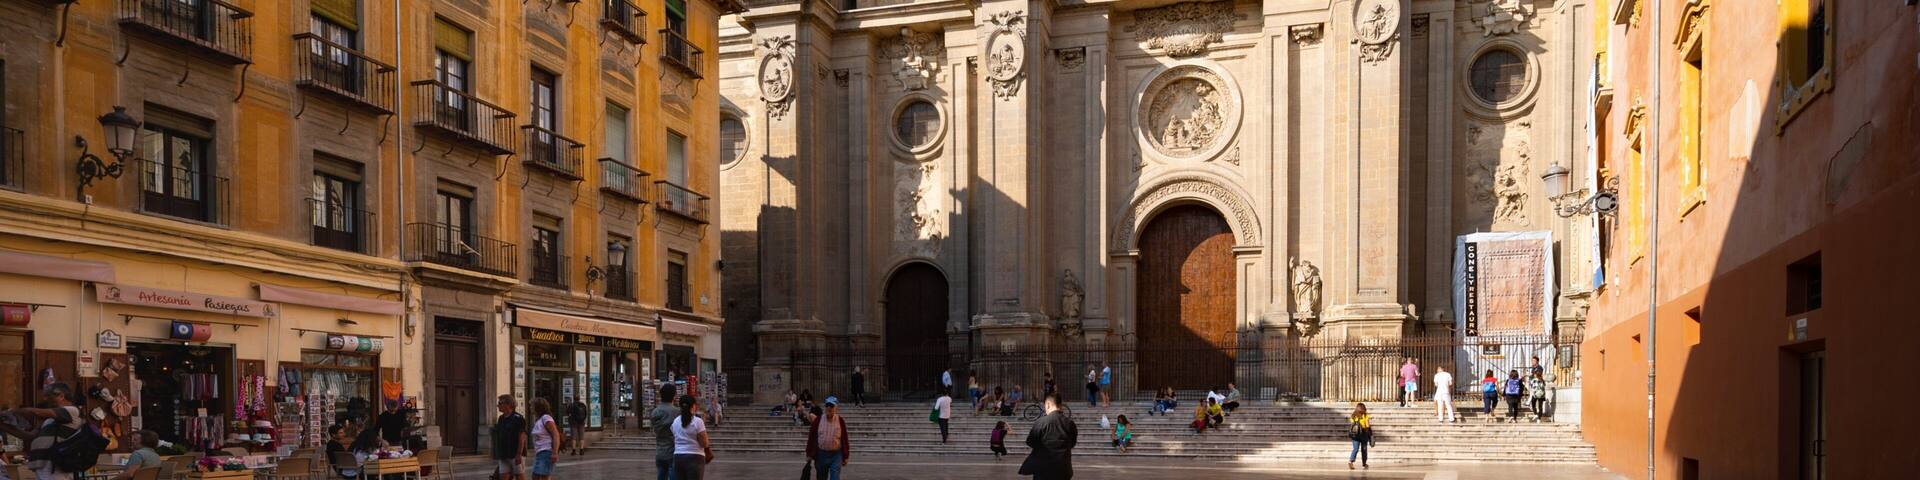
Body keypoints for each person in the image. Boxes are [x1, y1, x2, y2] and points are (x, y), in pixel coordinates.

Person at [14, 383, 84, 480]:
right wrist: (5, 426)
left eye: (48, 396)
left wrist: (14, 412)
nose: (45, 399)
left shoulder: (72, 410)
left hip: (56, 467)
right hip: (45, 466)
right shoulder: (49, 420)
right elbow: (29, 436)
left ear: (61, 396)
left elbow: (36, 412)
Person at [1018, 393, 1078, 480]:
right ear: (1061, 405)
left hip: (1043, 470)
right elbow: (1072, 444)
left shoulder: (1041, 422)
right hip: (1064, 469)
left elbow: (1030, 442)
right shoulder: (1070, 423)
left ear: (1048, 404)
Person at [669, 395, 713, 480]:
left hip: (678, 456)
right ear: (693, 406)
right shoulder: (697, 421)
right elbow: (704, 443)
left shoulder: (675, 421)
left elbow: (674, 438)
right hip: (695, 457)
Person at [805, 398, 850, 480]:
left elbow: (844, 438)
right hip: (821, 454)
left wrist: (846, 456)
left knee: (835, 477)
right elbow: (811, 437)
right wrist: (809, 453)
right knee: (821, 477)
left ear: (836, 408)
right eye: (827, 405)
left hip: (836, 455)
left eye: (831, 406)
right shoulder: (818, 420)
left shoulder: (840, 421)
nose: (829, 408)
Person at [491, 394, 528, 480]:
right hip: (504, 454)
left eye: (500, 403)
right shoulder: (501, 418)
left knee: (519, 476)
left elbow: (522, 437)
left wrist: (519, 454)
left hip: (515, 453)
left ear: (508, 404)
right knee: (503, 476)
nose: (498, 405)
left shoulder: (518, 418)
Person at [528, 399, 565, 480]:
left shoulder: (546, 418)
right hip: (540, 452)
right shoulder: (539, 419)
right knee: (538, 476)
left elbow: (555, 435)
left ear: (538, 407)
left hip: (546, 451)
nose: (530, 408)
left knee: (541, 476)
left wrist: (555, 452)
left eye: (532, 406)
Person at [650, 387, 680, 480]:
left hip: (660, 451)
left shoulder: (655, 412)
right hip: (672, 450)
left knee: (661, 475)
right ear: (674, 396)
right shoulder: (677, 412)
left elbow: (654, 430)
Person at [1348, 403, 1373, 469]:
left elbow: (1352, 424)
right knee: (1364, 450)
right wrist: (1370, 435)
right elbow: (1367, 426)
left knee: (1355, 449)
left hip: (1355, 435)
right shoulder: (1365, 416)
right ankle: (1364, 464)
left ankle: (1351, 461)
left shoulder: (1353, 415)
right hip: (1364, 435)